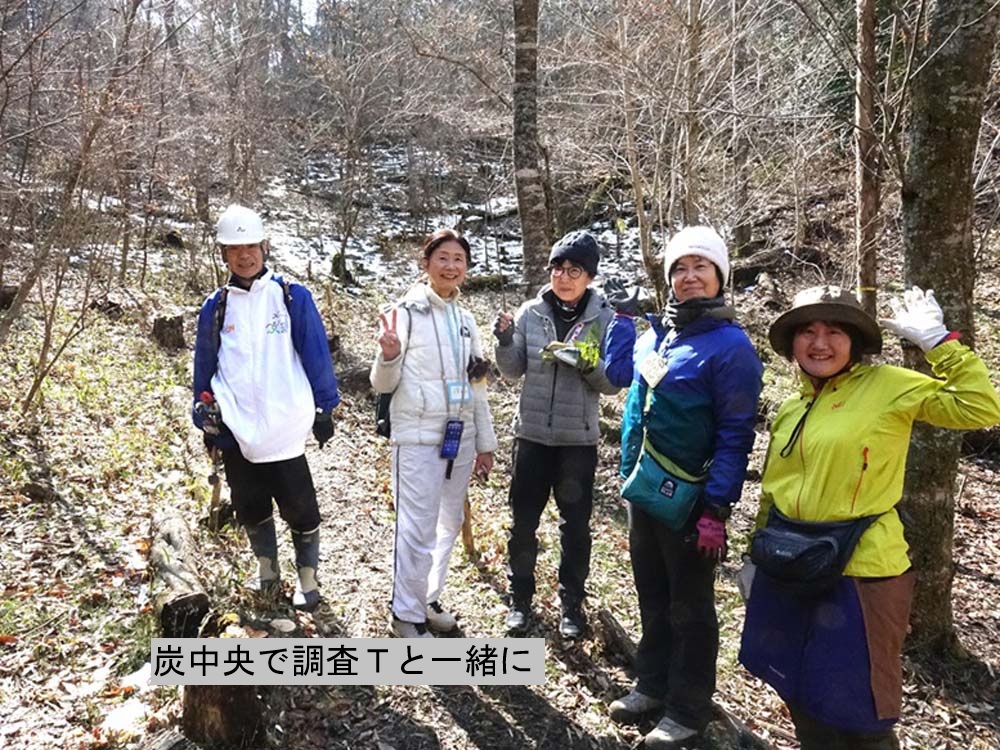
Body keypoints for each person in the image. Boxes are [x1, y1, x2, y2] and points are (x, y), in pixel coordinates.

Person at [739, 285, 1000, 750]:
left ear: (855, 340)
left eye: (834, 331)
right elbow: (774, 489)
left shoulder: (888, 386)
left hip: (861, 574)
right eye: (808, 332)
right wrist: (753, 557)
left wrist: (939, 343)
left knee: (859, 712)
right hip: (788, 564)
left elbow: (980, 406)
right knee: (800, 691)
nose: (820, 343)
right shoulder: (793, 406)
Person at [603, 226, 763, 747]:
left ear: (720, 276)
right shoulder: (656, 336)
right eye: (680, 268)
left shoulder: (732, 347)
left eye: (701, 266)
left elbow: (736, 433)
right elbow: (622, 379)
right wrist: (621, 323)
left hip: (693, 500)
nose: (689, 276)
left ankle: (688, 709)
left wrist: (717, 506)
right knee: (652, 592)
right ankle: (651, 684)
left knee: (690, 606)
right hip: (643, 489)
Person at [192, 204, 340, 612]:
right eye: (235, 249)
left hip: (284, 423)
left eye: (251, 247)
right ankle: (267, 571)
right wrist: (203, 413)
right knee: (249, 503)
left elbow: (315, 353)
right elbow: (205, 365)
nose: (245, 256)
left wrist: (325, 407)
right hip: (236, 423)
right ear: (224, 254)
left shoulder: (291, 296)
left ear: (264, 247)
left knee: (300, 505)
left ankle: (308, 578)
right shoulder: (216, 307)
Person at [370, 228, 498, 639]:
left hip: (459, 437)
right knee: (416, 527)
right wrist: (389, 355)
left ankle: (427, 597)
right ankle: (405, 614)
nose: (451, 266)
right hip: (417, 436)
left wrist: (485, 443)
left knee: (449, 521)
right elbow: (382, 384)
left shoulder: (466, 321)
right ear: (426, 263)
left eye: (459, 259)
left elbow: (477, 385)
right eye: (442, 257)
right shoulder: (404, 314)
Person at [493, 230, 620, 639]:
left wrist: (585, 364)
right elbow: (512, 370)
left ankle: (571, 606)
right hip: (531, 435)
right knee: (523, 523)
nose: (564, 277)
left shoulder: (605, 319)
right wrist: (504, 339)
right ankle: (520, 599)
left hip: (576, 441)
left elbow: (612, 384)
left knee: (575, 528)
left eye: (574, 270)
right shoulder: (531, 313)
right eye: (558, 268)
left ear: (590, 277)